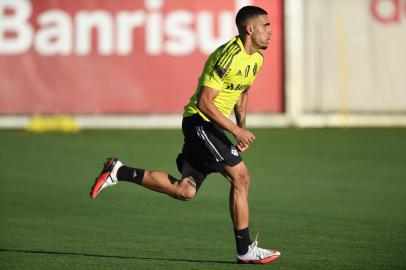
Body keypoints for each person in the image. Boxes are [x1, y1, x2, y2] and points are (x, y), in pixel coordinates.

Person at [90, 5, 280, 264]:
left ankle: (119, 171)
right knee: (241, 177)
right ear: (250, 29)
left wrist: (239, 128)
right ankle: (244, 249)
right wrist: (235, 129)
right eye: (265, 25)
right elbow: (204, 103)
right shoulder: (228, 56)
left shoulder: (257, 58)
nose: (270, 31)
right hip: (200, 123)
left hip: (213, 127)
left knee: (185, 191)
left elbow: (242, 93)